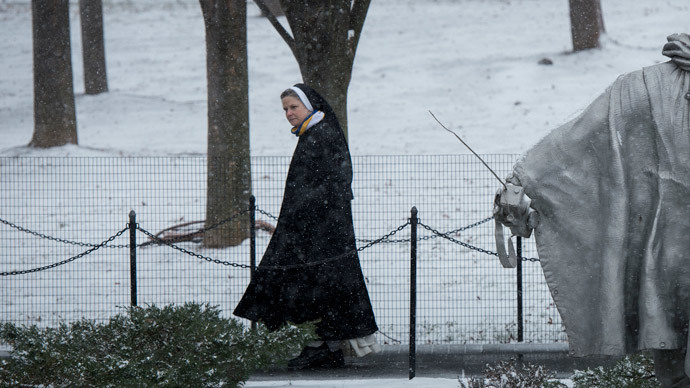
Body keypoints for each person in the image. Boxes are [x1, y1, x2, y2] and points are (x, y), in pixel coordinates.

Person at [494, 33, 690, 387]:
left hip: (668, 263)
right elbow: (583, 140)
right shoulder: (645, 87)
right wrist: (522, 183)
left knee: (672, 365)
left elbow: (582, 140)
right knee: (672, 365)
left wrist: (522, 182)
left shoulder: (643, 87)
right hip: (669, 262)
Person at [234, 83, 381, 370]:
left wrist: (307, 211)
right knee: (320, 288)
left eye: (293, 107)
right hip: (315, 230)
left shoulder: (322, 134)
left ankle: (323, 347)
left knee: (317, 287)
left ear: (309, 106)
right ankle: (324, 346)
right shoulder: (314, 133)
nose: (289, 113)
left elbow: (337, 180)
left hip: (321, 232)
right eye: (285, 109)